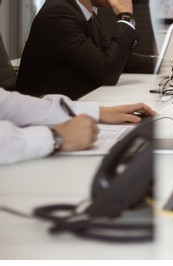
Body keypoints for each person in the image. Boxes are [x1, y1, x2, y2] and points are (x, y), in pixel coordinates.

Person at [16, 0, 155, 100]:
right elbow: (107, 72)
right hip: (43, 117)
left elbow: (112, 56)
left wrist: (162, 64)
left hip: (76, 103)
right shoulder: (58, 13)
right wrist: (126, 17)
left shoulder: (84, 14)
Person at [0, 88, 155, 165]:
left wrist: (97, 112)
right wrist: (56, 137)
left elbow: (7, 103)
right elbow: (105, 70)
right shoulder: (59, 24)